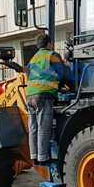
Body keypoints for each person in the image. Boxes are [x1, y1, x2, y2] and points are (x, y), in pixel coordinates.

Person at [26, 34, 69, 166]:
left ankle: (34, 156)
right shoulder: (52, 55)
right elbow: (64, 73)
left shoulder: (33, 59)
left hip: (30, 95)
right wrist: (72, 86)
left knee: (33, 127)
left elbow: (29, 75)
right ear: (49, 44)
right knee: (44, 127)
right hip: (44, 95)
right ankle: (43, 157)